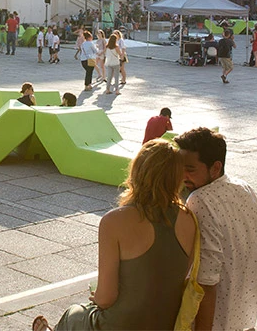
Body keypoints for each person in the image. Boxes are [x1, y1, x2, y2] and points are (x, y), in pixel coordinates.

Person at [32, 140, 196, 331]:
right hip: (165, 323)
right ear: (177, 178)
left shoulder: (114, 221)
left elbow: (106, 298)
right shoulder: (188, 219)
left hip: (120, 325)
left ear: (137, 172)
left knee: (74, 314)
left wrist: (97, 297)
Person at [175, 128, 257, 331]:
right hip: (243, 322)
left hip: (215, 323)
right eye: (180, 168)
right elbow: (254, 258)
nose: (183, 176)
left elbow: (206, 281)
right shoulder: (246, 189)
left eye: (190, 169)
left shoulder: (199, 200)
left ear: (215, 168)